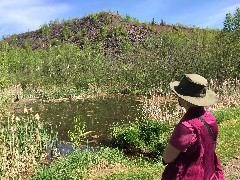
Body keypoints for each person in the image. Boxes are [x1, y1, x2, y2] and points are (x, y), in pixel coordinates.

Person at [162, 74, 225, 180]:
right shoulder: (211, 119)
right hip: (209, 174)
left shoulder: (186, 127)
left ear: (184, 98)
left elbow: (167, 158)